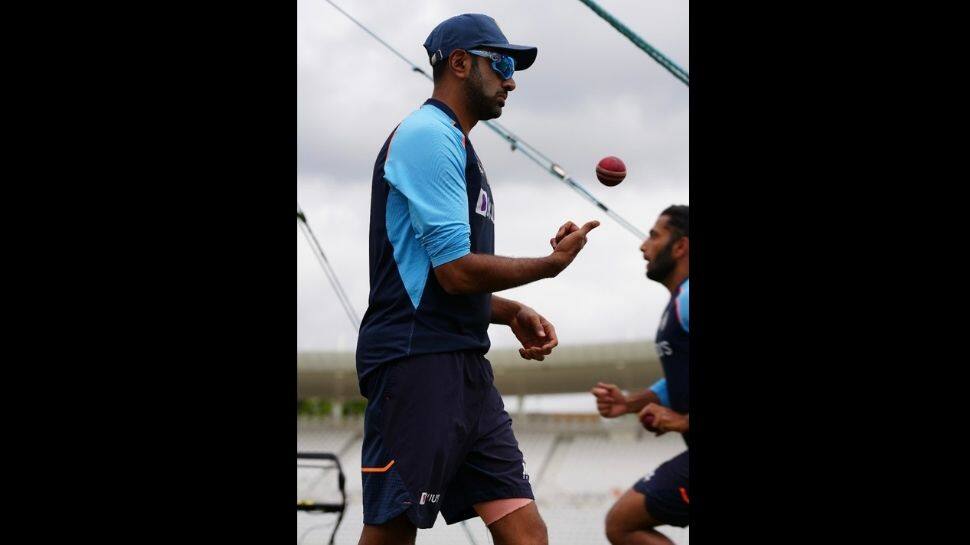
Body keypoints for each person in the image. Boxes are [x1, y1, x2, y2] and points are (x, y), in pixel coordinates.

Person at [355, 13, 600, 545]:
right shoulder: (426, 135)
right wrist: (549, 266)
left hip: (463, 365)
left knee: (527, 535)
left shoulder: (460, 146)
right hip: (416, 362)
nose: (511, 80)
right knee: (391, 535)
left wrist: (509, 311)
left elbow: (436, 278)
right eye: (503, 64)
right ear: (460, 64)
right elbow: (455, 271)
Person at [588, 205, 690, 545]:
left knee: (622, 523)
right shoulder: (678, 303)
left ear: (680, 247)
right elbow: (675, 381)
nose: (643, 245)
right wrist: (629, 404)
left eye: (654, 235)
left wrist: (682, 421)